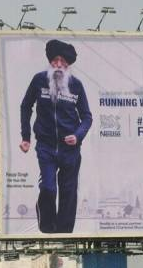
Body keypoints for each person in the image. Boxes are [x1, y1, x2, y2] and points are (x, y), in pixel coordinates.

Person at [20, 39, 92, 233]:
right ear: (50, 62)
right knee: (49, 188)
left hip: (70, 149)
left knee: (68, 192)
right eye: (55, 61)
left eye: (63, 61)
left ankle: (65, 232)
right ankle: (47, 228)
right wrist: (26, 137)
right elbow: (26, 106)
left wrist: (77, 136)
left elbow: (86, 116)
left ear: (68, 64)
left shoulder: (76, 85)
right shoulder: (39, 80)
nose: (59, 65)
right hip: (46, 146)